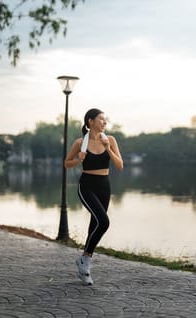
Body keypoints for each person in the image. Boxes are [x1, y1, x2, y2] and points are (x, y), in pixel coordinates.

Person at [64, 108, 124, 285]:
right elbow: (67, 163)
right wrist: (78, 159)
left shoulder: (110, 140)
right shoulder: (80, 143)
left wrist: (108, 149)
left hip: (104, 186)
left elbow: (119, 165)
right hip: (87, 186)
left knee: (95, 225)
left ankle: (84, 263)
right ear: (90, 121)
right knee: (104, 222)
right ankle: (86, 260)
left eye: (106, 120)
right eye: (101, 119)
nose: (105, 122)